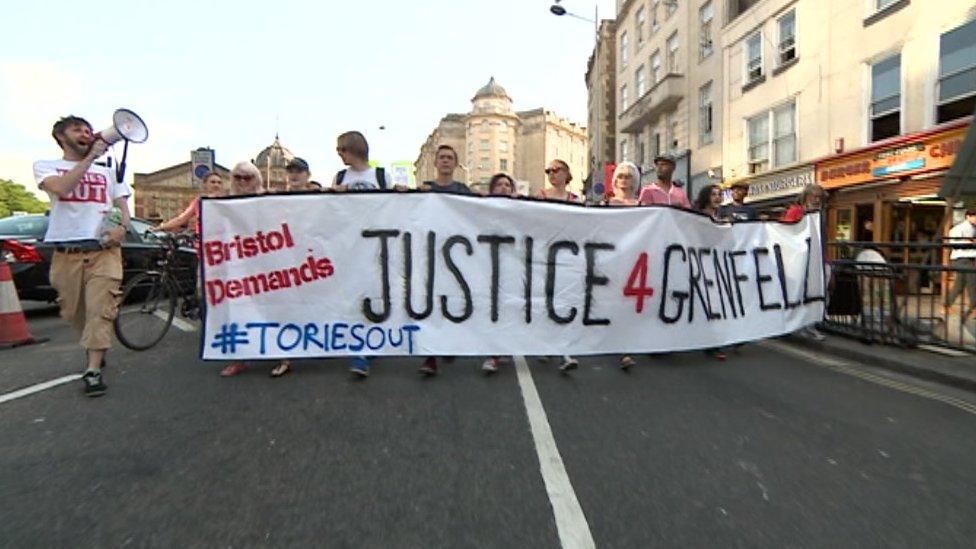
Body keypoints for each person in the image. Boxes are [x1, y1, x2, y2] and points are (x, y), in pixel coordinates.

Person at [33, 115, 132, 397]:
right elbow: (62, 189)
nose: (85, 133)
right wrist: (89, 159)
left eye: (88, 130)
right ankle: (95, 347)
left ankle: (93, 369)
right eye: (77, 129)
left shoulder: (107, 171)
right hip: (66, 253)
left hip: (104, 252)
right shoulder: (46, 167)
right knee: (73, 311)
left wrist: (122, 228)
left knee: (101, 310)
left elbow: (122, 204)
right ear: (61, 137)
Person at [216, 162, 295, 377]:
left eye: (247, 178)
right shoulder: (225, 202)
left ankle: (283, 356)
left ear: (257, 180)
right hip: (235, 263)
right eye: (238, 177)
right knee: (236, 310)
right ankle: (239, 358)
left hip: (264, 264)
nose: (242, 182)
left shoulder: (267, 200)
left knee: (271, 308)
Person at [413, 145, 474, 377]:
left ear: (455, 164)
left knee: (453, 301)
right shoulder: (425, 189)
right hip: (429, 252)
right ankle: (430, 356)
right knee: (430, 302)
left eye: (450, 158)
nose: (446, 161)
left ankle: (448, 342)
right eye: (442, 158)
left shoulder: (463, 191)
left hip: (456, 255)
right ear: (436, 163)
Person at [536, 159, 582, 373]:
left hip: (567, 255)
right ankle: (546, 343)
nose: (552, 174)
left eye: (556, 170)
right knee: (546, 299)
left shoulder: (575, 200)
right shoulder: (540, 196)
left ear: (567, 174)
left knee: (564, 299)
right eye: (549, 171)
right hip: (544, 254)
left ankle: (564, 349)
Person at [781, 183, 828, 341]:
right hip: (799, 261)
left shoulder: (820, 215)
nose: (816, 200)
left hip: (816, 260)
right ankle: (798, 325)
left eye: (818, 197)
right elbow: (786, 233)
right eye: (813, 197)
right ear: (805, 197)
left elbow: (822, 241)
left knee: (816, 292)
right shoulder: (795, 212)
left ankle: (810, 325)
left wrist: (825, 262)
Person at [481, 173, 518, 374]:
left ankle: (504, 345)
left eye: (507, 185)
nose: (503, 188)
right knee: (492, 307)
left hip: (514, 264)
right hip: (489, 264)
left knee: (509, 306)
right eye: (499, 185)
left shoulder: (522, 208)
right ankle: (492, 352)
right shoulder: (483, 206)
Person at [155, 171, 226, 235]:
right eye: (213, 182)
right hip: (204, 241)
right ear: (205, 184)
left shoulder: (227, 202)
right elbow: (181, 219)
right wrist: (161, 227)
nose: (216, 185)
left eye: (219, 182)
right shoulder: (199, 202)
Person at [944, 209, 976, 319]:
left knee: (960, 284)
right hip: (962, 258)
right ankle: (974, 308)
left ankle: (946, 305)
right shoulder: (959, 228)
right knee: (972, 282)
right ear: (968, 216)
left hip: (969, 258)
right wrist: (969, 242)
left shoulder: (972, 228)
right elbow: (954, 243)